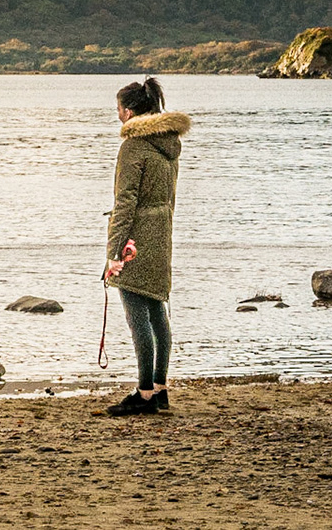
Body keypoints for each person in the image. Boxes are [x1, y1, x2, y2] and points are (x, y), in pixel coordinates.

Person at [102, 77, 189, 416]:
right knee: (156, 311)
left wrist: (114, 250)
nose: (118, 116)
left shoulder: (134, 146)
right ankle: (161, 388)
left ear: (129, 111)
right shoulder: (169, 144)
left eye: (119, 110)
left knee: (137, 313)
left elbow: (125, 201)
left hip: (136, 237)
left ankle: (144, 393)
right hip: (162, 231)